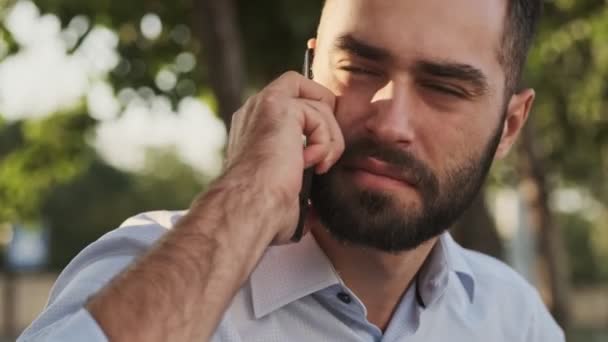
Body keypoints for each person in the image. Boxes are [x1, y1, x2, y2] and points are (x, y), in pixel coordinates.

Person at [19, 0, 565, 341]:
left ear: (511, 125)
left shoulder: (512, 317)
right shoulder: (141, 268)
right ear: (309, 71)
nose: (390, 121)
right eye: (358, 67)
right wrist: (249, 196)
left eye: (444, 88)